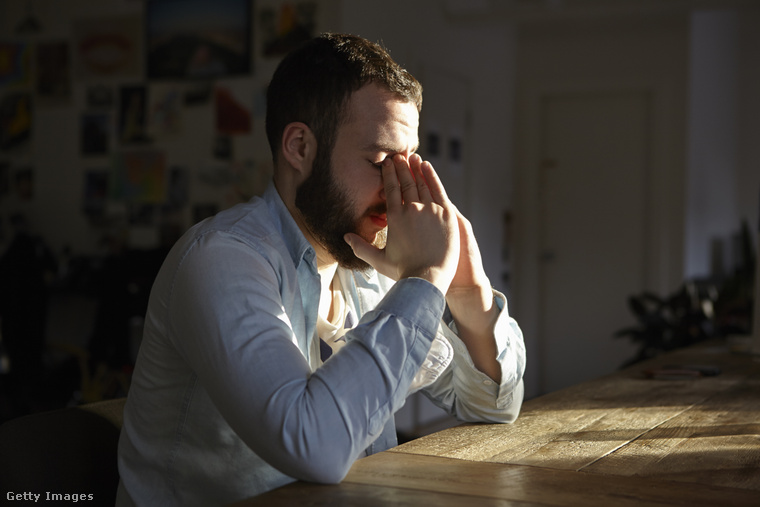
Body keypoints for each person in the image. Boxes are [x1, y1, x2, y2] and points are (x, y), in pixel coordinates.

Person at [116, 32, 526, 506]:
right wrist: (425, 279)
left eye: (407, 164)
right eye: (380, 162)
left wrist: (467, 291)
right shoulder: (220, 260)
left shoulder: (368, 261)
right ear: (299, 147)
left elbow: (492, 406)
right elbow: (314, 447)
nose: (399, 189)